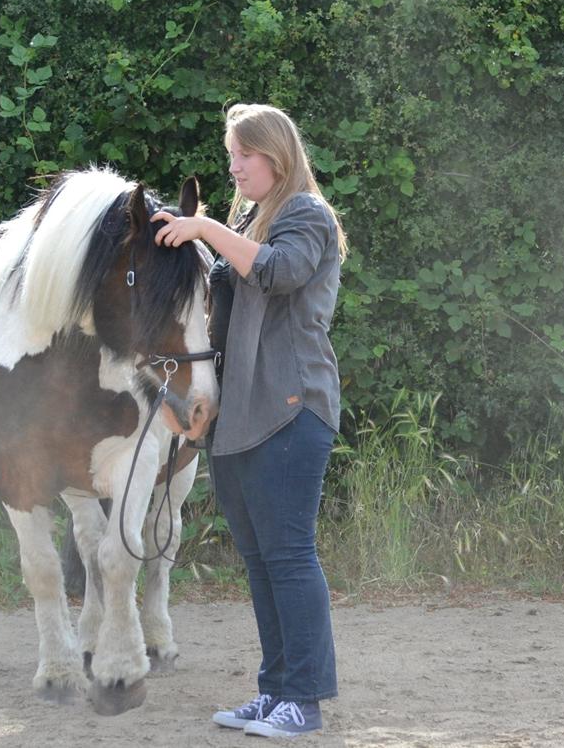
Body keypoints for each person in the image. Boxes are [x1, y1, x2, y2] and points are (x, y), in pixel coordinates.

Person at [153, 103, 347, 738]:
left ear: (278, 157)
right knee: (261, 559)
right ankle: (276, 693)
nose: (232, 165)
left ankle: (305, 702)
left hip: (292, 409)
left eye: (243, 154)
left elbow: (278, 269)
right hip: (239, 414)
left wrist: (204, 229)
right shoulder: (247, 218)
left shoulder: (306, 215)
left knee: (289, 555)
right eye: (231, 154)